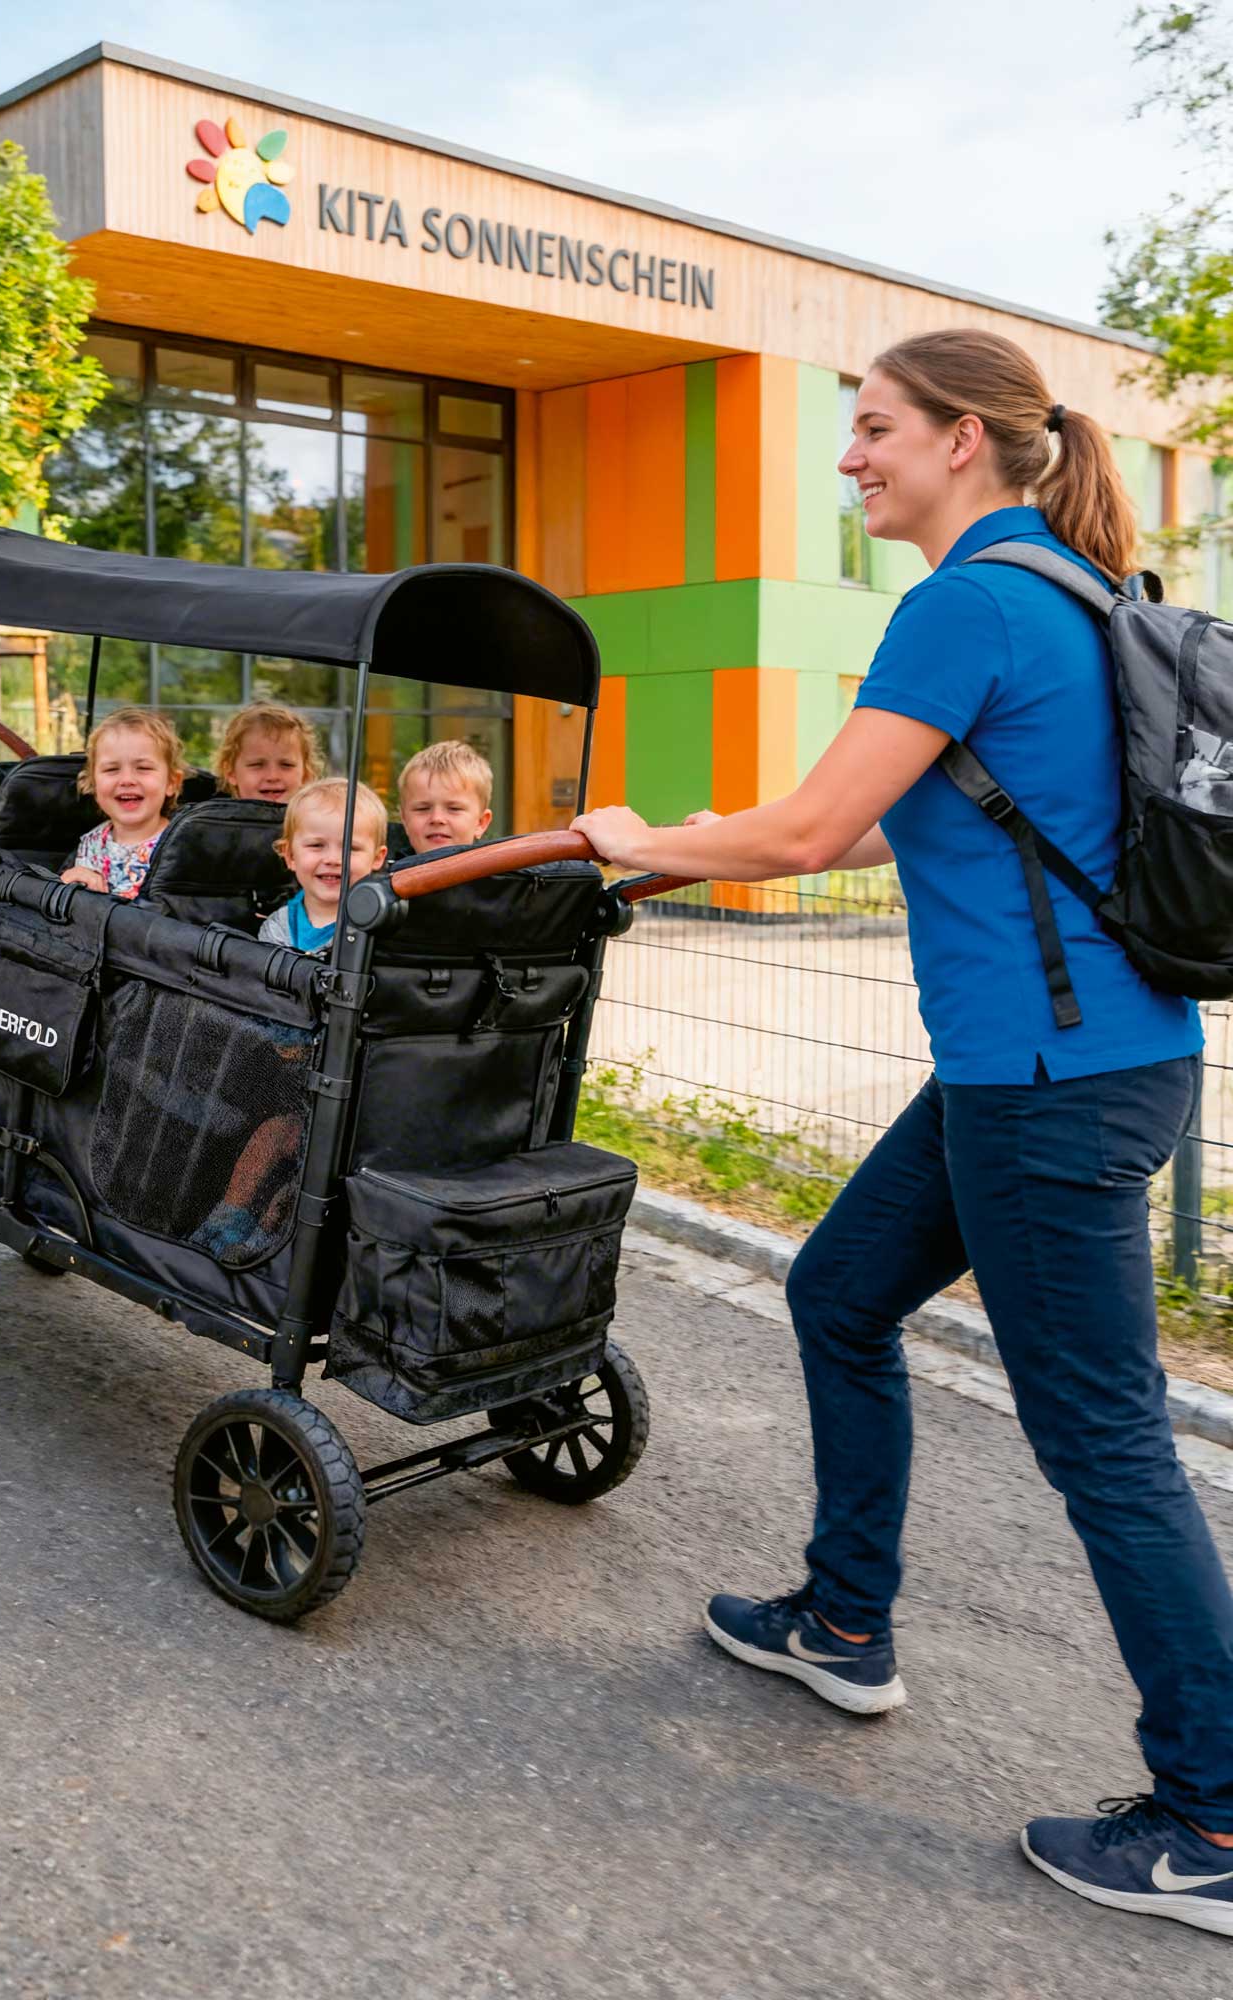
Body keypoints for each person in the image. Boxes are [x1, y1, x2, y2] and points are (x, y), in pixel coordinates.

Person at [570, 328, 1233, 1936]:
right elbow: (863, 825)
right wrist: (666, 860)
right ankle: (843, 1622)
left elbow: (802, 829)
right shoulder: (1070, 595)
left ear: (964, 440)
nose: (849, 458)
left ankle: (1213, 1822)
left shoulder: (966, 603)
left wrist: (637, 833)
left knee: (1106, 1443)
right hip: (1082, 1065)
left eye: (872, 429)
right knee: (841, 1293)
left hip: (1044, 1090)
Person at [59, 707, 186, 900]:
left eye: (143, 768)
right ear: (93, 783)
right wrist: (69, 881)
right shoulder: (90, 844)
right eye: (111, 769)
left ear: (171, 783)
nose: (127, 780)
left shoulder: (182, 845)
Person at [259, 778, 389, 953]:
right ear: (290, 855)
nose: (333, 859)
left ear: (377, 858)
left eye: (350, 848)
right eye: (316, 845)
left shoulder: (383, 926)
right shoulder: (276, 929)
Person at [398, 739, 494, 852]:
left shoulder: (501, 868)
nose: (437, 818)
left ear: (481, 822)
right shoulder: (388, 869)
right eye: (422, 809)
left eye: (454, 809)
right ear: (404, 819)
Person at [216, 702, 322, 802]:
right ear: (231, 772)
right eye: (257, 765)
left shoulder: (322, 819)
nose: (272, 776)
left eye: (286, 765)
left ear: (306, 774)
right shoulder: (210, 819)